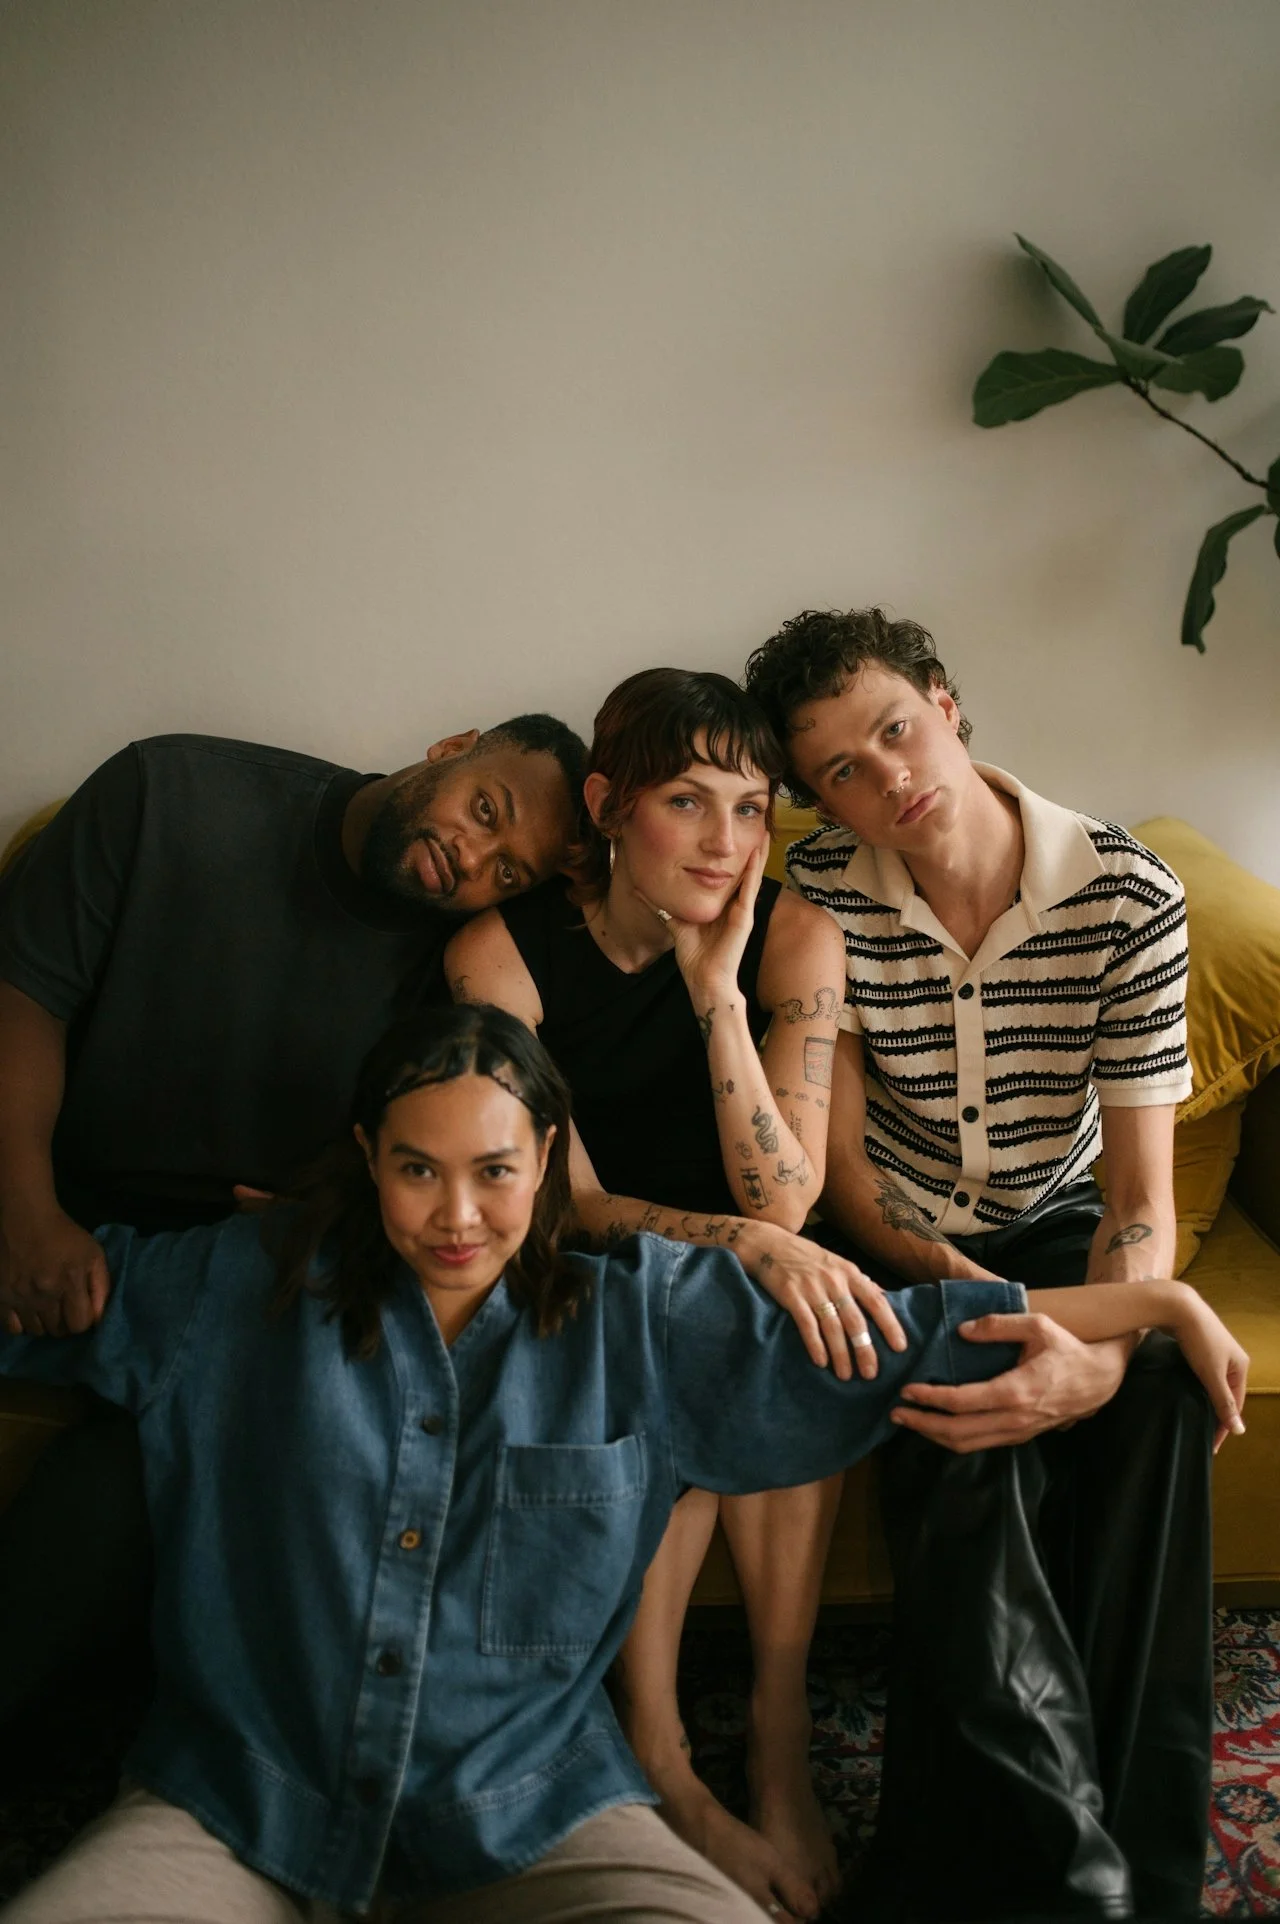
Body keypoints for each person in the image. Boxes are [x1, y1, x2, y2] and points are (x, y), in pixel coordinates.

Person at [0, 1002, 1248, 1924]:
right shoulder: (227, 1285)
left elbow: (906, 1337)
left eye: (493, 1172)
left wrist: (1156, 1314)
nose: (456, 1216)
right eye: (416, 1170)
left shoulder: (641, 1319)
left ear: (546, 1162)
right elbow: (39, 1294)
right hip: (236, 1806)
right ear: (368, 1153)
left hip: (527, 1815)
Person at [744, 605, 1217, 1920]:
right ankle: (1043, 1868)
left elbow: (1135, 1199)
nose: (887, 779)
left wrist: (1107, 1352)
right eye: (841, 769)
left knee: (1165, 1390)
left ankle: (1151, 1870)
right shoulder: (823, 896)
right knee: (961, 1394)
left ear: (946, 704)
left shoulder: (1128, 895)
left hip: (1065, 1224)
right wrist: (968, 1291)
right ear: (816, 797)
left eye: (897, 730)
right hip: (899, 1233)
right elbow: (839, 1176)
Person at [0, 716, 585, 1720]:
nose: (474, 859)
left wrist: (332, 1210)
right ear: (451, 747)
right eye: (485, 810)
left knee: (120, 1483)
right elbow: (23, 996)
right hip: (49, 1190)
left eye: (509, 871)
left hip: (233, 1280)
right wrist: (26, 1211)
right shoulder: (172, 791)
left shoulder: (452, 970)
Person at [445, 668, 869, 1919]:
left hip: (742, 1276)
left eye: (749, 809)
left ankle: (778, 1740)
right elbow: (565, 1205)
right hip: (578, 1278)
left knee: (795, 1313)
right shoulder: (501, 954)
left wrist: (714, 996)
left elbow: (785, 1199)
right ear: (606, 805)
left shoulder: (792, 931)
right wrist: (743, 1244)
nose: (725, 842)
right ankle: (665, 1761)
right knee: (678, 1305)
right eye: (686, 802)